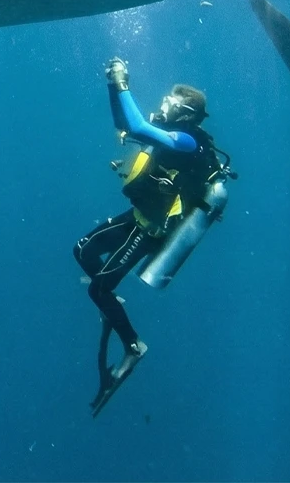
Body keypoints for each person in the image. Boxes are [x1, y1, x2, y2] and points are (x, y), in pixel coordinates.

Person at [75, 57, 230, 416]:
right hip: (141, 215)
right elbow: (127, 125)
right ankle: (111, 308)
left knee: (97, 288)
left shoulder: (187, 141)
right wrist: (113, 86)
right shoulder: (173, 133)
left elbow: (134, 124)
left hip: (153, 229)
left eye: (170, 104)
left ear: (185, 113)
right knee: (81, 251)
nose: (162, 105)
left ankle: (132, 345)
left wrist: (121, 80)